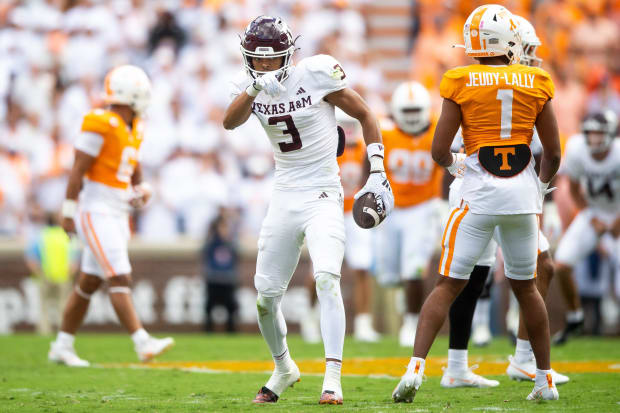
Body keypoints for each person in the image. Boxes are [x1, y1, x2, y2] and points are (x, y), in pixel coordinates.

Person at [392, 5, 562, 403]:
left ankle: (415, 369)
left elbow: (439, 151)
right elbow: (552, 152)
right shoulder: (536, 78)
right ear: (507, 42)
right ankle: (545, 380)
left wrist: (459, 168)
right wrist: (538, 188)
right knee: (527, 289)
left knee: (448, 284)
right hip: (521, 195)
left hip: (479, 194)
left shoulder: (459, 79)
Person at [223, 16, 393, 405]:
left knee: (327, 278)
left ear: (288, 54)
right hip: (284, 192)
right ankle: (283, 367)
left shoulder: (316, 73)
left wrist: (378, 169)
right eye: (257, 60)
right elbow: (228, 122)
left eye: (271, 60)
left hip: (321, 190)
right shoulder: (248, 86)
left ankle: (332, 376)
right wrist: (252, 89)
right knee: (265, 297)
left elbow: (366, 114)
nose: (264, 66)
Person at [438, 15, 568, 388]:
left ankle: (523, 359)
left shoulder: (522, 81)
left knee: (540, 266)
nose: (530, 58)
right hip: (483, 184)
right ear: (507, 45)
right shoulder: (501, 79)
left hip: (506, 186)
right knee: (470, 277)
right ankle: (461, 365)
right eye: (526, 50)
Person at [49, 65, 174, 367]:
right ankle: (142, 342)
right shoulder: (100, 122)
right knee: (119, 275)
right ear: (130, 95)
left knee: (89, 282)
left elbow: (133, 161)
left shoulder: (134, 125)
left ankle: (62, 346)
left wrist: (140, 187)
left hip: (118, 211)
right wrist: (68, 213)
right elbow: (77, 170)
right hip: (96, 209)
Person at [375, 81, 444, 347]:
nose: (414, 116)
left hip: (423, 207)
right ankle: (407, 306)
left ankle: (412, 321)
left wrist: (442, 201)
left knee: (413, 267)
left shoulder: (438, 128)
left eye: (418, 110)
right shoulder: (385, 131)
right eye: (408, 111)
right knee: (391, 275)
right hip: (392, 207)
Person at [553, 110, 620, 343]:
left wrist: (616, 222)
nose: (594, 139)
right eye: (590, 133)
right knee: (561, 264)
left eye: (599, 134)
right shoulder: (576, 148)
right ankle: (575, 317)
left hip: (618, 211)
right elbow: (572, 189)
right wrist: (592, 218)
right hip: (593, 212)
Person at [335, 108, 379, 342]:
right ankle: (312, 317)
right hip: (330, 214)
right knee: (320, 272)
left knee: (362, 268)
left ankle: (363, 322)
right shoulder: (328, 149)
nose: (349, 130)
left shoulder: (364, 151)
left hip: (355, 216)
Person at [25, 212, 78, 335]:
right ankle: (63, 332)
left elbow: (31, 259)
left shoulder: (41, 236)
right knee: (64, 306)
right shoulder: (67, 236)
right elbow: (74, 261)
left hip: (45, 276)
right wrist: (69, 274)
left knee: (43, 307)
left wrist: (39, 273)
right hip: (63, 277)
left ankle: (44, 331)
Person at [202, 208, 240, 333]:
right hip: (213, 279)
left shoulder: (231, 243)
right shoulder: (211, 242)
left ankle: (232, 333)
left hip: (228, 280)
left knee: (231, 309)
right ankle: (208, 333)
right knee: (209, 308)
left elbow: (237, 255)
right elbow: (203, 253)